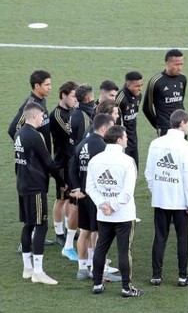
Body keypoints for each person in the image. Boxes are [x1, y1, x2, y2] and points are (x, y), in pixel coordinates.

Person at [86, 125, 143, 297]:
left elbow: (90, 187)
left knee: (101, 248)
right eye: (125, 137)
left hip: (103, 214)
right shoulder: (127, 161)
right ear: (119, 140)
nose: (127, 139)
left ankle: (97, 284)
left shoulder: (95, 160)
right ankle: (126, 287)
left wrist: (102, 204)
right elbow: (127, 192)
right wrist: (113, 206)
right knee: (124, 250)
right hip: (123, 214)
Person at [14, 102, 66, 285]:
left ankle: (27, 268)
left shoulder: (19, 133)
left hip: (22, 185)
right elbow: (48, 162)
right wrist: (61, 182)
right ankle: (38, 272)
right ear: (35, 116)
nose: (44, 118)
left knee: (28, 224)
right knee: (41, 225)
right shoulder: (34, 136)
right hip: (35, 187)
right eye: (42, 116)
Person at [145, 109, 188, 287]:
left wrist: (156, 191)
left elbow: (149, 173)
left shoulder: (156, 143)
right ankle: (183, 276)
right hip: (180, 201)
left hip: (160, 200)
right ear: (181, 123)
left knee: (160, 237)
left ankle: (156, 276)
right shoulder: (186, 148)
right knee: (183, 238)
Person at [68, 113, 115, 280]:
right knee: (98, 233)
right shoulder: (101, 146)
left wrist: (77, 188)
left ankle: (82, 269)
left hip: (83, 195)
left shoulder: (83, 143)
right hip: (96, 195)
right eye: (111, 127)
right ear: (103, 128)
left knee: (84, 232)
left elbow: (72, 167)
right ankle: (98, 269)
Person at [50, 81, 79, 257]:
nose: (75, 99)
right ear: (63, 95)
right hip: (62, 162)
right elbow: (72, 134)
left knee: (70, 198)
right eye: (73, 96)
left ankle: (68, 229)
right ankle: (59, 233)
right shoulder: (58, 115)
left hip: (72, 162)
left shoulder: (72, 112)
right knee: (61, 198)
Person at [143, 49, 187, 136]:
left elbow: (180, 102)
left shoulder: (183, 79)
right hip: (165, 128)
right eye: (176, 64)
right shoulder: (156, 81)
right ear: (167, 63)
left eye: (181, 64)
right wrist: (158, 125)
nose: (179, 67)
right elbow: (146, 108)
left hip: (181, 127)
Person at [8, 70, 53, 154]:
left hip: (45, 155)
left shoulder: (42, 100)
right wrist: (28, 149)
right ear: (37, 85)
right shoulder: (30, 105)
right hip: (36, 159)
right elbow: (14, 129)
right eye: (46, 85)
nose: (50, 87)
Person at [115, 71, 143, 167]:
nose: (140, 89)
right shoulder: (119, 99)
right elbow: (115, 123)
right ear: (127, 85)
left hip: (133, 140)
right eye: (137, 86)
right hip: (122, 141)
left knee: (135, 169)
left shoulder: (139, 96)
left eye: (141, 85)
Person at [69, 83, 95, 148]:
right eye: (93, 96)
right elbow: (84, 141)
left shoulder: (75, 111)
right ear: (89, 98)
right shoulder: (83, 117)